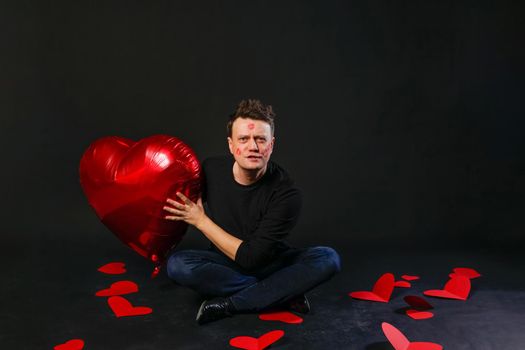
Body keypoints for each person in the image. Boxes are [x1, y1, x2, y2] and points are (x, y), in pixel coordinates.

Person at [163, 99, 341, 325]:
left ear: (272, 144)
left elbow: (251, 258)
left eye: (261, 139)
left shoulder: (287, 193)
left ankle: (232, 304)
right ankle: (280, 293)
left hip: (271, 261)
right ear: (230, 144)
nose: (253, 147)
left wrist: (201, 221)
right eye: (244, 139)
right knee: (178, 265)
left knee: (328, 258)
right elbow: (178, 203)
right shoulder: (210, 170)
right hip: (223, 260)